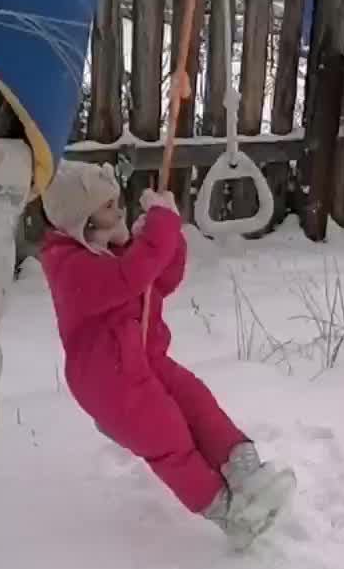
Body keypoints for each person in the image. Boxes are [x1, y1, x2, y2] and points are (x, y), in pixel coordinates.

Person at [39, 162, 294, 543]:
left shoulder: (117, 251)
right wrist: (158, 231)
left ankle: (245, 472)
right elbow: (132, 277)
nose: (120, 210)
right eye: (108, 206)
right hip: (111, 384)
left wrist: (168, 236)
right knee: (169, 439)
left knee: (198, 404)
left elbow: (162, 280)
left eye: (116, 201)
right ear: (82, 219)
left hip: (146, 361)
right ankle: (229, 513)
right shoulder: (70, 267)